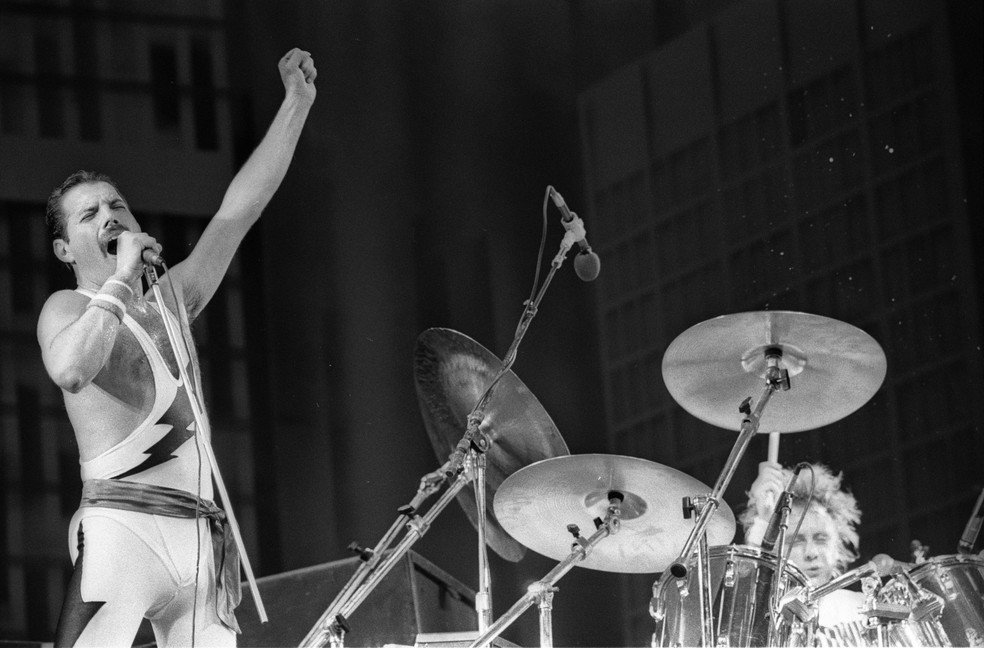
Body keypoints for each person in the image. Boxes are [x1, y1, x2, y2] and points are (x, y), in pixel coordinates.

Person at [37, 48, 317, 647]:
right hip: (123, 528)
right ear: (65, 250)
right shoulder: (68, 307)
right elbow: (70, 369)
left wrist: (296, 104)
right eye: (90, 214)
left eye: (117, 205)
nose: (111, 216)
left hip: (197, 541)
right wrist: (121, 278)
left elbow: (237, 211)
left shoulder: (173, 300)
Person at [740, 461, 867, 630]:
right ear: (774, 550)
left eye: (821, 539)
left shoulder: (861, 610)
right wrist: (764, 521)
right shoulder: (757, 619)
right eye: (796, 541)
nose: (811, 553)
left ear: (837, 545)